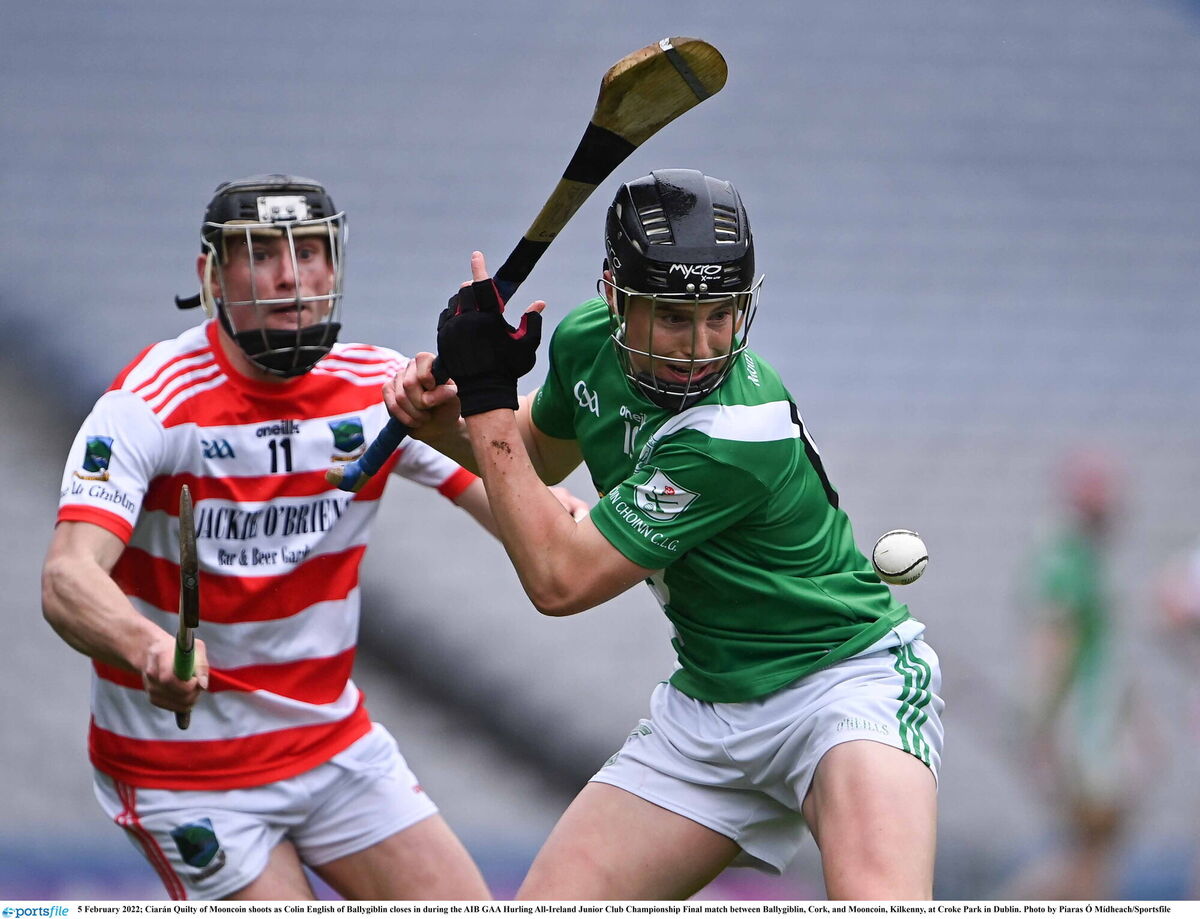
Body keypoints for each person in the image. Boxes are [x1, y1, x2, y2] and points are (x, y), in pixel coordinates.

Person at [386, 169, 945, 900]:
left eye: (721, 314)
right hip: (711, 707)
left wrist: (486, 394)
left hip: (842, 685)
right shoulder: (588, 341)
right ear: (615, 298)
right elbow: (536, 455)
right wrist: (451, 424)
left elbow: (560, 580)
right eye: (675, 317)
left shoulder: (736, 434)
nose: (702, 344)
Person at [41, 174, 583, 900]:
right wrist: (145, 648)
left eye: (312, 251)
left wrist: (633, 535)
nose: (292, 275)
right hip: (187, 772)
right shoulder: (150, 403)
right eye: (261, 252)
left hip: (334, 748)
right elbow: (68, 577)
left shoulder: (381, 390)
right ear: (211, 274)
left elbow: (527, 505)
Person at [1010, 450, 1138, 899]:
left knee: (1094, 841)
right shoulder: (1064, 554)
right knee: (1092, 840)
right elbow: (1054, 644)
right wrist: (1042, 725)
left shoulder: (1084, 554)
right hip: (1082, 726)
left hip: (1092, 720)